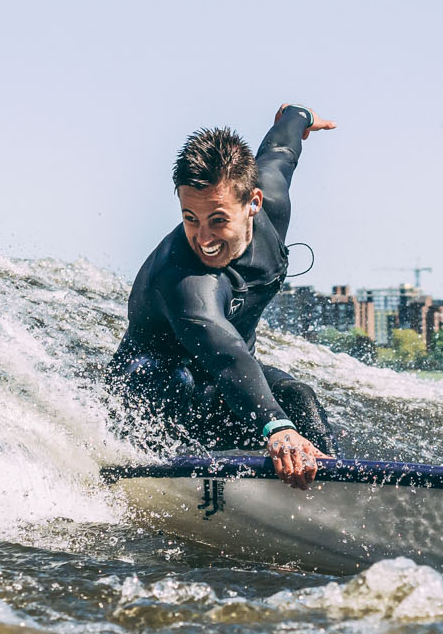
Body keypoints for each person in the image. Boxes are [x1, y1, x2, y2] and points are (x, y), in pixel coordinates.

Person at [107, 104, 338, 488]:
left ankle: (332, 486)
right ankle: (163, 486)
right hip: (152, 396)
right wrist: (276, 428)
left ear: (254, 203)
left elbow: (280, 153)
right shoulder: (183, 280)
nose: (203, 239)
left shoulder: (274, 205)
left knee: (299, 398)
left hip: (217, 389)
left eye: (218, 220)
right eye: (190, 218)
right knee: (171, 380)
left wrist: (297, 117)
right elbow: (227, 355)